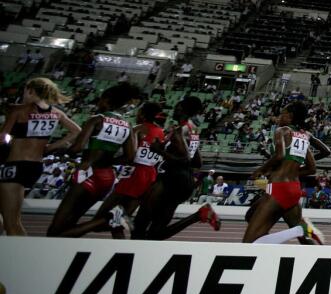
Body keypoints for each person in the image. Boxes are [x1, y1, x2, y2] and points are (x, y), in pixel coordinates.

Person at [57, 101, 165, 239]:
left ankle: (115, 222)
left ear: (143, 114)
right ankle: (127, 237)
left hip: (133, 175)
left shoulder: (137, 129)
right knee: (119, 221)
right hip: (149, 175)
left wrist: (110, 160)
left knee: (104, 219)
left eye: (139, 111)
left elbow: (131, 156)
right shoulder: (161, 132)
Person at [46, 83, 141, 236]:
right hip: (107, 177)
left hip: (87, 173)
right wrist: (109, 161)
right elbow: (130, 157)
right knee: (69, 225)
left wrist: (57, 148)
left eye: (100, 100)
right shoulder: (127, 126)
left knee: (55, 230)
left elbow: (77, 148)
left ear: (107, 100)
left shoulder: (97, 120)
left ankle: (109, 219)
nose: (98, 103)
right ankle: (110, 219)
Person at [0, 77, 81, 235]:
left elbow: (2, 137)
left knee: (12, 223)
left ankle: (20, 255)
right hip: (35, 166)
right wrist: (51, 147)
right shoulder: (56, 113)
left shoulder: (19, 110)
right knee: (9, 215)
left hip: (15, 166)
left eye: (25, 90)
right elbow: (76, 131)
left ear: (31, 91)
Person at [134, 95, 221, 239]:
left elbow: (184, 159)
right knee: (156, 233)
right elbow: (197, 163)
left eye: (176, 108)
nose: (174, 110)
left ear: (182, 109)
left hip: (170, 180)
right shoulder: (193, 131)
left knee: (140, 225)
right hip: (184, 182)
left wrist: (159, 150)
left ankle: (117, 220)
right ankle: (199, 215)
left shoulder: (179, 131)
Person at [243, 101, 324, 244]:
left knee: (249, 243)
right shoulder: (303, 135)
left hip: (278, 188)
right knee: (250, 215)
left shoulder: (283, 130)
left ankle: (301, 229)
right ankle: (310, 242)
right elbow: (313, 167)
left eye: (282, 114)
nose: (279, 117)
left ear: (290, 116)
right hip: (294, 188)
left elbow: (279, 155)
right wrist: (292, 167)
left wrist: (261, 170)